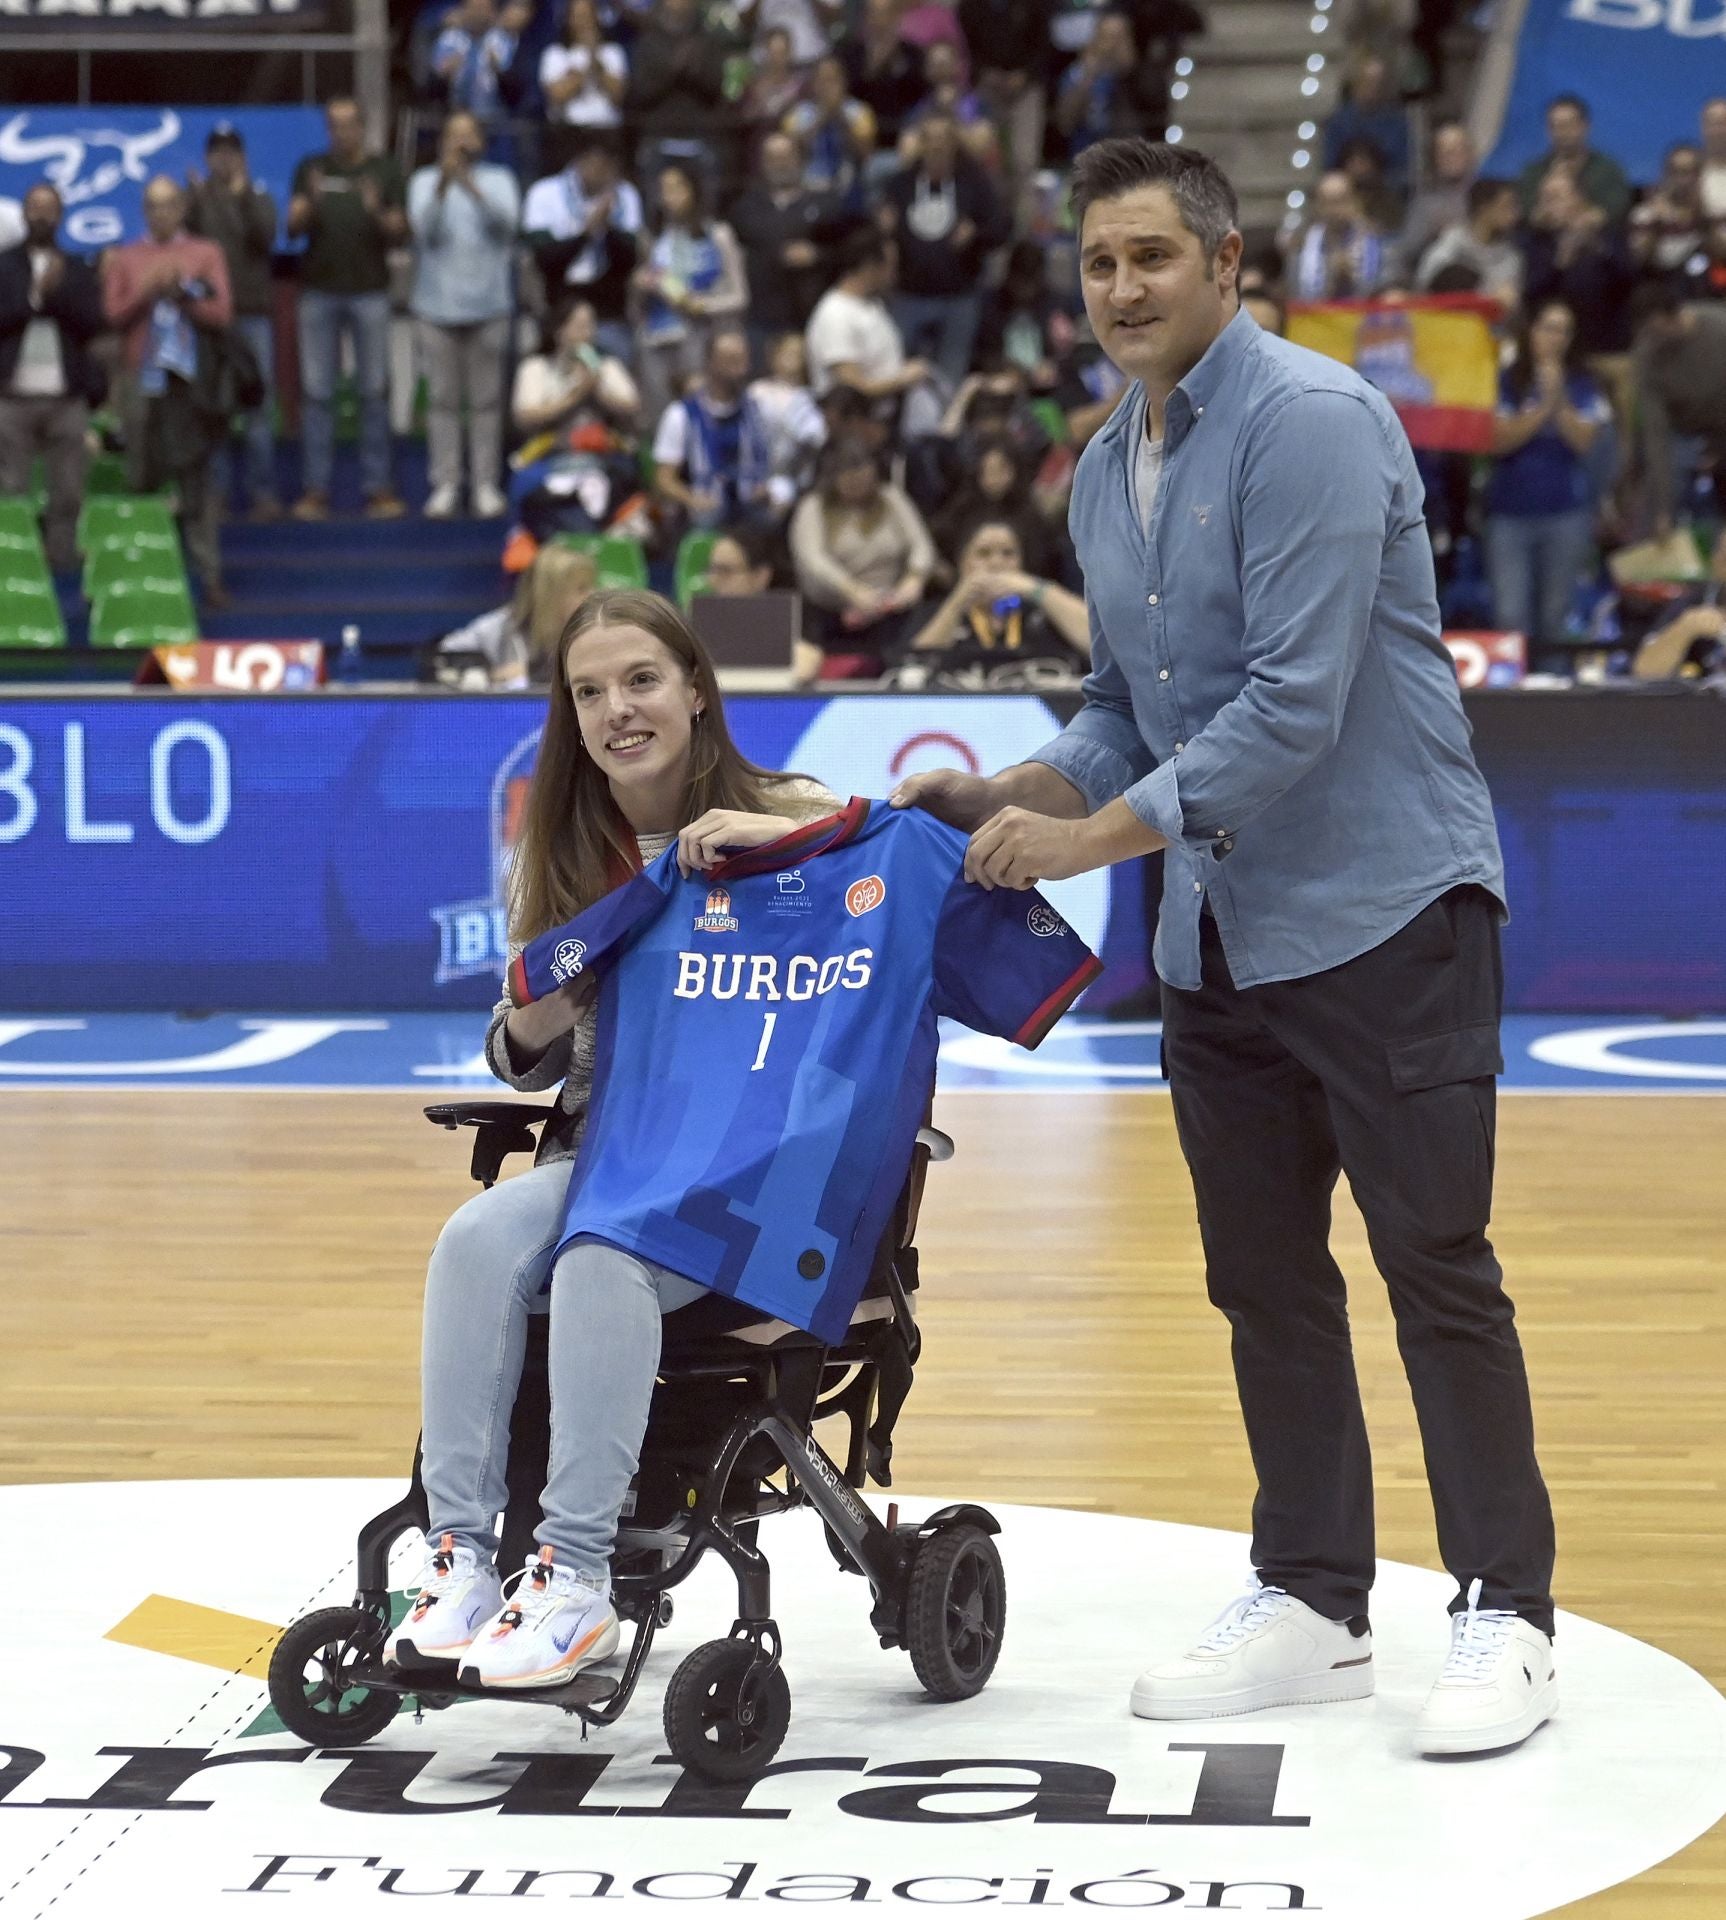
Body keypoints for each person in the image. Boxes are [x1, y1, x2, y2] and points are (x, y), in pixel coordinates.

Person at [891, 136, 1557, 1759]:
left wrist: (1084, 840)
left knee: (1435, 1272)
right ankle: (1318, 1600)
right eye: (1098, 263)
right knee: (1262, 1282)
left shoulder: (1317, 425)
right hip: (1217, 941)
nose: (1120, 289)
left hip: (1386, 912)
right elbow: (1131, 708)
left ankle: (1506, 1613)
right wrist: (1016, 791)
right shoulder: (1094, 468)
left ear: (1228, 268)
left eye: (1151, 259)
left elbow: (1290, 710)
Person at [384, 587, 840, 1686]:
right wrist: (535, 1014)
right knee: (476, 1240)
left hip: (754, 1168)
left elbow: (904, 873)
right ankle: (462, 1559)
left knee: (603, 1253)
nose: (616, 710)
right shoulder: (560, 848)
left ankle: (575, 1574)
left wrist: (787, 846)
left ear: (694, 688)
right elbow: (520, 1050)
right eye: (588, 692)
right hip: (608, 1154)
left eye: (640, 680)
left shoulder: (795, 809)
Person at [101, 174, 234, 604]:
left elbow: (222, 312)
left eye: (169, 204)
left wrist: (184, 296)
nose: (161, 213)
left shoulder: (205, 253)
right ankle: (134, 578)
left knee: (197, 482)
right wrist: (147, 291)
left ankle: (209, 579)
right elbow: (111, 315)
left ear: (181, 208)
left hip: (189, 385)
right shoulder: (126, 256)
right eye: (153, 205)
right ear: (144, 211)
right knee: (139, 476)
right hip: (140, 380)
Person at [288, 98, 408, 520]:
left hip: (370, 292)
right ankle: (315, 489)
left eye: (349, 125)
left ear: (363, 126)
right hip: (319, 292)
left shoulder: (385, 169)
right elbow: (292, 227)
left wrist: (376, 209)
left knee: (374, 391)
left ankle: (378, 489)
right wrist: (312, 203)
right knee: (317, 393)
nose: (342, 133)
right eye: (334, 126)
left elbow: (400, 233)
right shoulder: (311, 169)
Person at [1482, 300, 1608, 669]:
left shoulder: (1584, 384)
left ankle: (1553, 707)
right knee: (1510, 615)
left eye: (1564, 330)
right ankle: (1512, 705)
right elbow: (1499, 439)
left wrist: (1558, 399)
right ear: (1531, 331)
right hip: (1509, 514)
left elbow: (1584, 440)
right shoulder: (1504, 379)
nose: (1556, 338)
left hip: (1565, 513)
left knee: (1556, 617)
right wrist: (1540, 409)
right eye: (1548, 328)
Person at [409, 111, 522, 519]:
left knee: (487, 402)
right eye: (452, 135)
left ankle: (485, 485)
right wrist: (444, 182)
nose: (459, 143)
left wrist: (470, 186)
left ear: (480, 141)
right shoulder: (423, 181)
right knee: (441, 400)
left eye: (467, 135)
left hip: (489, 305)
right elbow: (424, 232)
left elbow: (508, 226)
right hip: (436, 306)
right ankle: (445, 483)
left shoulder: (499, 180)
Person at [0, 184, 107, 574]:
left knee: (67, 493)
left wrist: (56, 294)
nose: (41, 216)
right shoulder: (5, 265)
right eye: (34, 208)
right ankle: (15, 566)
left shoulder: (77, 267)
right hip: (12, 397)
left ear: (61, 216)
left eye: (49, 209)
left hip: (66, 397)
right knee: (11, 491)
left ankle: (60, 567)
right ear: (23, 214)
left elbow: (93, 322)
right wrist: (34, 297)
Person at [186, 124, 280, 519]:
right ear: (208, 158)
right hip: (210, 322)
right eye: (217, 152)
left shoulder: (258, 197)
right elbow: (182, 245)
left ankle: (262, 493)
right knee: (212, 410)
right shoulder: (197, 199)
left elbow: (266, 238)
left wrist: (241, 199)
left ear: (242, 157)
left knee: (257, 408)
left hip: (254, 315)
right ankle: (217, 494)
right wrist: (192, 201)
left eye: (231, 152)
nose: (224, 159)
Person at [879, 108, 1010, 390]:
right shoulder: (899, 184)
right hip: (908, 296)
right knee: (899, 372)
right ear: (920, 144)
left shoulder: (974, 184)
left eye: (944, 138)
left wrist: (977, 233)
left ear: (954, 144)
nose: (937, 145)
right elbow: (880, 231)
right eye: (930, 138)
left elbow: (1002, 228)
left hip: (959, 297)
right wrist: (884, 229)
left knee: (951, 376)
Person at [789, 436, 933, 667]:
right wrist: (852, 590)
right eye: (847, 475)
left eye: (862, 471)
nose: (856, 481)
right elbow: (813, 559)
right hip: (833, 614)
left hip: (892, 608)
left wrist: (914, 578)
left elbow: (921, 545)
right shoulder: (813, 507)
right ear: (832, 477)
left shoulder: (891, 498)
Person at [902, 516, 1089, 685]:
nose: (996, 563)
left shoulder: (1042, 612)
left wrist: (1037, 589)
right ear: (962, 562)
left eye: (1008, 554)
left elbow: (1094, 641)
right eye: (983, 553)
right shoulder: (937, 611)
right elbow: (913, 667)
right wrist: (957, 602)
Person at [630, 162, 749, 422]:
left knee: (701, 413)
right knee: (659, 418)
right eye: (664, 190)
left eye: (677, 188)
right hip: (657, 337)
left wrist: (701, 305)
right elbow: (636, 309)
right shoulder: (652, 239)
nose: (669, 197)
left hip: (699, 337)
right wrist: (638, 288)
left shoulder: (718, 235)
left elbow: (740, 296)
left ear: (694, 191)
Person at [522, 138, 643, 363]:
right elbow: (545, 260)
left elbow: (629, 260)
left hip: (608, 313)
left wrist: (607, 227)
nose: (599, 172)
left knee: (614, 380)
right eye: (593, 164)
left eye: (606, 166)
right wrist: (586, 233)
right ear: (578, 162)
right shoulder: (545, 193)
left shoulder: (625, 195)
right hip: (558, 309)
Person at [727, 129, 841, 363]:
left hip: (809, 319)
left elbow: (844, 251)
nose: (779, 164)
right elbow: (749, 240)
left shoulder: (826, 205)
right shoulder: (747, 206)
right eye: (771, 158)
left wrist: (817, 254)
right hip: (761, 319)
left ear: (800, 159)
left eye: (785, 156)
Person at [1627, 282, 1726, 537]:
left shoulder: (1719, 328)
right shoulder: (1648, 354)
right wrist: (1663, 509)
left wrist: (1718, 448)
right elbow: (1655, 432)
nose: (1650, 338)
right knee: (1657, 493)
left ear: (1673, 317)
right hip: (1681, 432)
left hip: (1720, 423)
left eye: (1654, 330)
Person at [650, 324, 772, 532]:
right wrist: (693, 499)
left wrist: (768, 487)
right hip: (704, 509)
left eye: (742, 360)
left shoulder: (758, 409)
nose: (740, 368)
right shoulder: (680, 415)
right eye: (730, 360)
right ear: (710, 363)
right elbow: (664, 479)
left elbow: (771, 461)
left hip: (750, 506)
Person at [436, 541, 600, 686]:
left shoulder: (595, 628)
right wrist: (485, 676)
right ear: (551, 594)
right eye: (581, 589)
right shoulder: (504, 624)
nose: (591, 595)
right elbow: (447, 655)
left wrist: (531, 672)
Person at [804, 228, 928, 403]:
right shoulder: (835, 315)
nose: (894, 275)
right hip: (853, 426)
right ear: (870, 266)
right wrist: (904, 378)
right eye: (890, 267)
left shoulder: (872, 304)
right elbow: (852, 389)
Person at [956, 0, 1055, 212]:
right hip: (986, 87)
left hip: (1026, 89)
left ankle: (1025, 237)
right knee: (989, 163)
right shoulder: (970, 6)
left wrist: (1025, 74)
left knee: (1024, 162)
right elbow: (966, 46)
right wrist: (987, 73)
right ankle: (993, 231)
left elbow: (1044, 44)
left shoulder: (1035, 5)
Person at [1053, 9, 1168, 160]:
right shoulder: (1078, 73)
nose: (1112, 45)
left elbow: (1156, 106)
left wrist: (1128, 70)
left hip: (1130, 160)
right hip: (1088, 158)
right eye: (1106, 37)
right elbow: (1065, 124)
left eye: (1119, 38)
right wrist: (1089, 75)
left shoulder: (1144, 74)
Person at [1515, 93, 1631, 227]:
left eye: (1568, 125)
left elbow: (1612, 211)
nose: (1562, 133)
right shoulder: (1533, 172)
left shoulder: (1608, 171)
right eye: (1555, 126)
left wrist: (1576, 207)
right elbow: (1527, 211)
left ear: (1585, 126)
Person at [746, 329, 826, 513]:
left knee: (782, 497)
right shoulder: (756, 391)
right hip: (755, 471)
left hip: (790, 475)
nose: (793, 359)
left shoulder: (810, 397)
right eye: (787, 353)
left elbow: (815, 436)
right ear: (773, 357)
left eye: (799, 354)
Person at [1414, 176, 1522, 308]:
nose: (1514, 214)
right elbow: (1427, 279)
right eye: (1506, 206)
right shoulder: (1452, 240)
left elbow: (1509, 304)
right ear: (1484, 208)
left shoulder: (1510, 257)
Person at [1284, 170, 1392, 300]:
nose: (1334, 209)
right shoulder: (1302, 243)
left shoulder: (1376, 237)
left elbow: (1386, 288)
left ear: (1355, 201)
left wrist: (1352, 276)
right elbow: (1296, 296)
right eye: (1327, 202)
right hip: (1318, 318)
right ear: (1317, 206)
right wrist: (1330, 274)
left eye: (1341, 201)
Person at [785, 53, 879, 201]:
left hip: (851, 183)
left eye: (832, 80)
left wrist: (841, 119)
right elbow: (793, 153)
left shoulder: (859, 111)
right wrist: (821, 119)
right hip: (809, 184)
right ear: (813, 84)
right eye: (821, 81)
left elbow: (866, 154)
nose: (827, 87)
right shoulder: (798, 113)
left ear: (843, 82)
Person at [1321, 51, 1410, 202]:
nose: (1372, 87)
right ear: (1356, 83)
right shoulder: (1338, 122)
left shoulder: (1397, 122)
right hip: (1345, 193)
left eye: (1377, 82)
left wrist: (1373, 174)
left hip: (1385, 193)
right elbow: (1329, 165)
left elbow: (1403, 167)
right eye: (1367, 81)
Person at [434, 0, 530, 125]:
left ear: (493, 12)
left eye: (482, 8)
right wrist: (442, 75)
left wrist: (500, 73)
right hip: (452, 116)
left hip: (496, 119)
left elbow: (519, 89)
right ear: (463, 10)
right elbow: (426, 85)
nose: (477, 14)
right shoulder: (449, 38)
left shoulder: (506, 40)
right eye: (473, 8)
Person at [539, 0, 629, 132]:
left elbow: (618, 95)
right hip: (568, 130)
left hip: (606, 129)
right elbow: (556, 96)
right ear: (568, 19)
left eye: (588, 15)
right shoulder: (555, 54)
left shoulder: (613, 52)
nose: (584, 22)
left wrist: (595, 59)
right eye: (578, 16)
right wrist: (584, 68)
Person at [1629, 143, 1708, 291]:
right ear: (1665, 174)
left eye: (1688, 172)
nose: (1682, 180)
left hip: (1702, 291)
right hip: (1658, 289)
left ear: (1699, 176)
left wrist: (1702, 218)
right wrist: (1657, 223)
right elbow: (1638, 259)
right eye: (1675, 172)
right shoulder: (1645, 214)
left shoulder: (1709, 212)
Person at [1399, 119, 1476, 269]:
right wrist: (1432, 235)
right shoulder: (1423, 203)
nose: (1452, 157)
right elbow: (1407, 252)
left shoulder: (1487, 195)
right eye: (1445, 153)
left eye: (1458, 150)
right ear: (1435, 158)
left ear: (1471, 154)